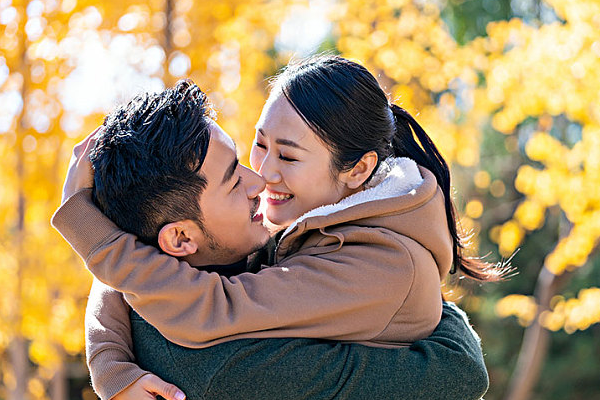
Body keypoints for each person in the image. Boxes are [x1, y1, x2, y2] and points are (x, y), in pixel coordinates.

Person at [53, 69, 492, 399]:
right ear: (178, 241)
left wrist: (91, 229)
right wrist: (111, 366)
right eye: (260, 145)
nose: (260, 176)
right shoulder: (215, 363)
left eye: (288, 155)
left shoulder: (375, 258)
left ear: (360, 169)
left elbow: (142, 274)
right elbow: (124, 275)